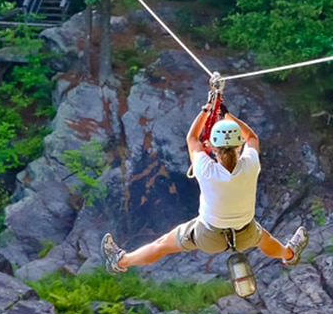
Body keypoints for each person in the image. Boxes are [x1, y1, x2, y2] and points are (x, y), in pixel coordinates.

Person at [101, 101, 308, 274]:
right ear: (239, 146)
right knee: (264, 239)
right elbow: (252, 138)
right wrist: (227, 116)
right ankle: (289, 254)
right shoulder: (250, 164)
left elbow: (192, 139)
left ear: (212, 147)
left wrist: (206, 110)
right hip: (245, 234)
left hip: (208, 237)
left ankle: (120, 262)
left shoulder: (205, 168)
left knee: (162, 244)